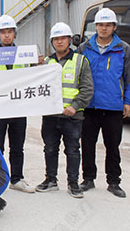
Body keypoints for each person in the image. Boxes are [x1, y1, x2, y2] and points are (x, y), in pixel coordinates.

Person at [77, 8, 130, 198]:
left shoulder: (123, 49)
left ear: (114, 27)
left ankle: (113, 181)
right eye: (100, 25)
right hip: (89, 106)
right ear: (95, 26)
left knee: (112, 146)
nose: (103, 28)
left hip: (113, 107)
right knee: (87, 144)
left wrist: (128, 101)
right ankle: (88, 178)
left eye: (108, 25)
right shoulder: (84, 48)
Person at [36, 22, 93, 198]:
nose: (59, 42)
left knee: (73, 150)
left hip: (72, 117)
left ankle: (73, 183)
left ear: (69, 40)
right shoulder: (46, 62)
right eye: (56, 39)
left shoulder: (80, 61)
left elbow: (87, 89)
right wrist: (35, 67)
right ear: (52, 42)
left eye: (63, 38)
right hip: (51, 116)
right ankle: (51, 180)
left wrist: (75, 107)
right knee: (50, 149)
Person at [0, 14, 36, 193]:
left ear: (15, 33)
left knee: (17, 147)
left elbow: (33, 77)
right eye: (3, 32)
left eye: (9, 31)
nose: (6, 35)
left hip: (18, 108)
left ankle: (17, 179)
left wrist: (39, 65)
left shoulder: (25, 55)